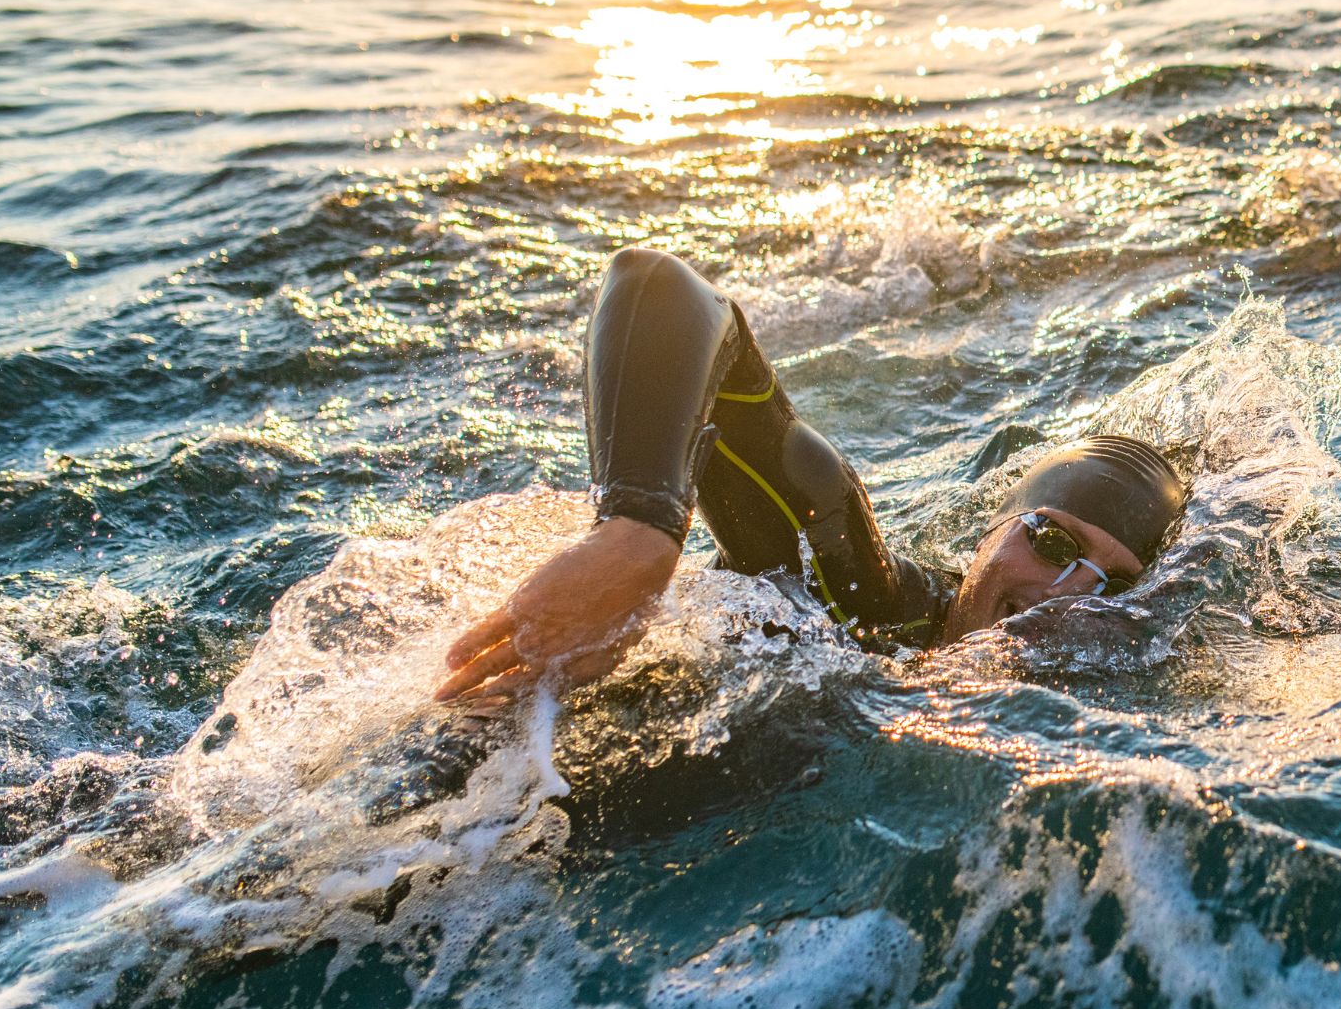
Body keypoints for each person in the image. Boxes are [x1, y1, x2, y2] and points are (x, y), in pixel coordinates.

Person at [433, 247, 1187, 704]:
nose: (1064, 597)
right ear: (993, 529)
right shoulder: (852, 587)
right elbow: (664, 287)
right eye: (1051, 543)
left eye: (1112, 586)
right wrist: (638, 526)